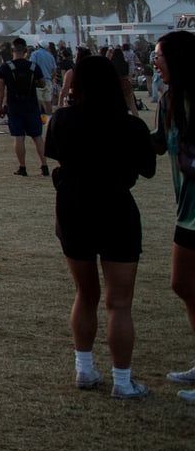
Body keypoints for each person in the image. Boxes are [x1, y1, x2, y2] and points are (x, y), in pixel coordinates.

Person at [45, 54, 156, 398]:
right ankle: (123, 382)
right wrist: (130, 105)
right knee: (119, 303)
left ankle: (85, 369)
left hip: (74, 209)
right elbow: (148, 167)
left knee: (85, 294)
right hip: (116, 210)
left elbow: (57, 156)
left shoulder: (63, 120)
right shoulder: (130, 126)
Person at [149, 32, 195, 402]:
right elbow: (158, 143)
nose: (155, 62)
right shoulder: (169, 100)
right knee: (183, 284)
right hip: (187, 211)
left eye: (160, 55)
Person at [0, 38, 49, 177]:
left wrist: (0, 106)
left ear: (12, 50)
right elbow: (42, 84)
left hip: (14, 106)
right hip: (31, 105)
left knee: (18, 137)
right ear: (26, 50)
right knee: (37, 137)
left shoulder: (5, 68)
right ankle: (44, 166)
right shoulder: (33, 67)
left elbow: (0, 89)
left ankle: (23, 167)